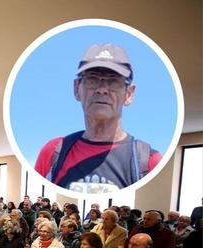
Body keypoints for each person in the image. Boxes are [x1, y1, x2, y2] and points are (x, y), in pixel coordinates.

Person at [35, 43, 161, 193]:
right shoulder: (53, 151)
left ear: (129, 94)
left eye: (113, 81)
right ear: (76, 89)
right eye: (92, 79)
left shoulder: (149, 162)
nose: (102, 89)